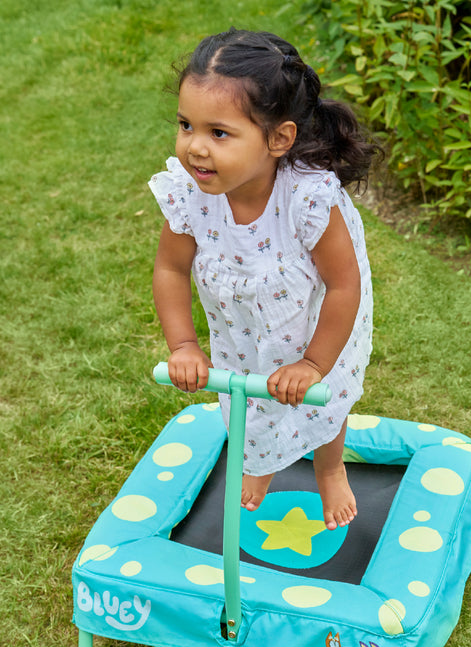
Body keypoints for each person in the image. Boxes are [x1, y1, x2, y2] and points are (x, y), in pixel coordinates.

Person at [149, 28, 377, 530]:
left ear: (279, 139)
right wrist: (184, 345)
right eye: (186, 125)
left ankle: (330, 466)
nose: (196, 149)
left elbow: (344, 285)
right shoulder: (190, 194)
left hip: (317, 319)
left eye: (219, 133)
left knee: (324, 401)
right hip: (241, 325)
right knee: (246, 396)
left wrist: (315, 363)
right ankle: (258, 464)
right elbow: (170, 268)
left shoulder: (308, 201)